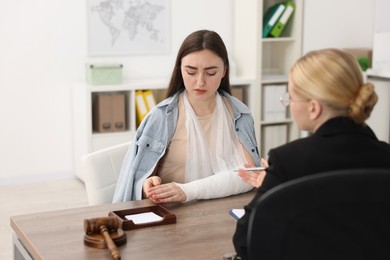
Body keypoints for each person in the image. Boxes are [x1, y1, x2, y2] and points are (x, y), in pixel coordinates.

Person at [232, 48, 390, 259]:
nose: (288, 104)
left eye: (291, 97)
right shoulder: (385, 156)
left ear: (314, 108)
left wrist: (274, 187)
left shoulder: (288, 161)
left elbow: (245, 242)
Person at [113, 29, 261, 204]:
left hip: (226, 211)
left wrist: (188, 191)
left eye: (211, 72)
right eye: (191, 72)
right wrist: (148, 185)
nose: (200, 82)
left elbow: (250, 176)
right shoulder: (162, 118)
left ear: (224, 71)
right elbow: (140, 186)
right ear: (180, 70)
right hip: (176, 215)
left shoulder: (240, 114)